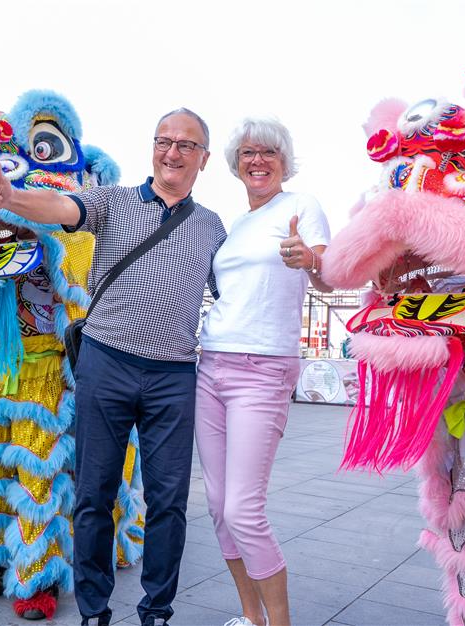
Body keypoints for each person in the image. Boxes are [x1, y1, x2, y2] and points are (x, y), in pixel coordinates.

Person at [0, 108, 226, 626]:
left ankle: (156, 611)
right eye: (164, 140)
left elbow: (238, 291)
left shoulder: (212, 227)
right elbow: (60, 205)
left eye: (186, 145)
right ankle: (94, 611)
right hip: (106, 365)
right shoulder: (112, 201)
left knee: (169, 503)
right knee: (93, 496)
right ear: (153, 147)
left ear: (203, 159)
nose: (172, 152)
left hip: (173, 377)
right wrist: (12, 199)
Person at [194, 118, 331, 626]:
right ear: (235, 164)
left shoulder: (300, 206)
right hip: (211, 367)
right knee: (216, 505)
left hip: (264, 368)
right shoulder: (235, 227)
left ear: (284, 161)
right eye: (248, 152)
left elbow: (330, 273)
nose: (258, 160)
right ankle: (251, 618)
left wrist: (310, 258)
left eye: (269, 152)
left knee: (243, 511)